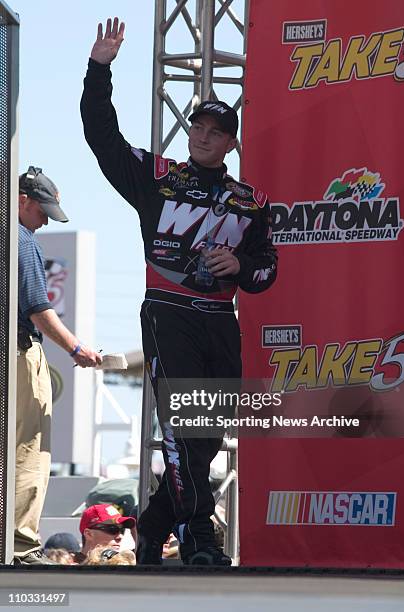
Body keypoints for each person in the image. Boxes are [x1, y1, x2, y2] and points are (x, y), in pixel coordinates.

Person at [81, 18, 277, 566]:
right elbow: (101, 136)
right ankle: (197, 537)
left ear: (231, 141)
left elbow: (267, 273)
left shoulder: (251, 201)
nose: (202, 136)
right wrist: (100, 69)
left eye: (215, 131)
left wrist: (238, 263)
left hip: (220, 317)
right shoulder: (158, 176)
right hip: (168, 315)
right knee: (183, 428)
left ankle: (155, 521)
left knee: (208, 435)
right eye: (197, 128)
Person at [15, 167, 102, 565]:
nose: (46, 220)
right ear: (22, 200)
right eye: (42, 210)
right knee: (29, 451)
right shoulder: (22, 241)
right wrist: (76, 348)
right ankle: (19, 544)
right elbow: (37, 309)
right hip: (17, 352)